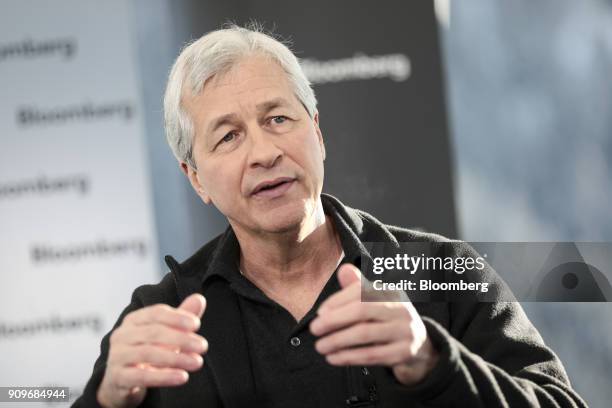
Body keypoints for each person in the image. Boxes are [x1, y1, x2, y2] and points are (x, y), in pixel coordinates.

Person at [74, 25, 587, 407]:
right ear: (195, 178)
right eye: (228, 136)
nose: (264, 152)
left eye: (278, 118)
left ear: (317, 133)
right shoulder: (163, 316)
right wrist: (106, 400)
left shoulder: (440, 271)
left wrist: (433, 362)